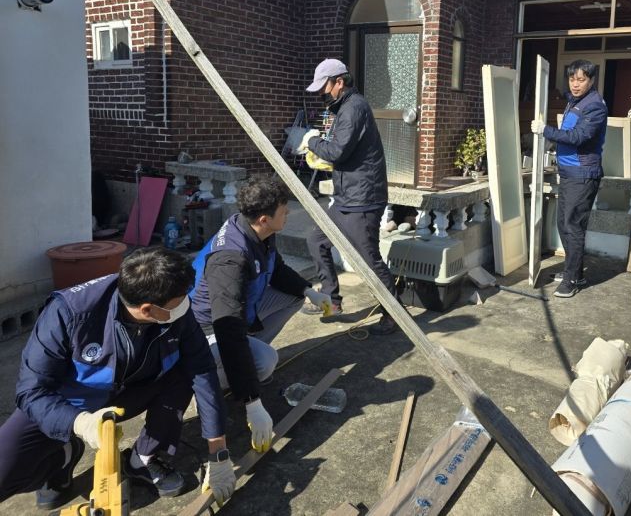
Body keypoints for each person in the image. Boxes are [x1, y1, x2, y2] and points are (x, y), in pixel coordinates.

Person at [0, 248, 236, 510]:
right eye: (180, 301)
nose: (186, 304)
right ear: (147, 309)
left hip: (129, 393)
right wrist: (77, 423)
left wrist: (219, 452)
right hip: (71, 404)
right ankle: (62, 456)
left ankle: (143, 458)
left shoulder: (171, 303)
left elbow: (201, 367)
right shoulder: (68, 313)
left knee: (184, 370)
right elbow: (31, 392)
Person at [190, 175, 331, 452]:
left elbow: (275, 268)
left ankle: (247, 355)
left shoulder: (259, 233)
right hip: (206, 329)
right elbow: (228, 330)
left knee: (293, 296)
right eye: (284, 211)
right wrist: (252, 401)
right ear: (264, 218)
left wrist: (308, 291)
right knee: (266, 362)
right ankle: (205, 381)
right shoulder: (229, 259)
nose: (288, 214)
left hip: (240, 311)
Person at [298, 58, 399, 335]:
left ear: (339, 82)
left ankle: (394, 314)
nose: (322, 94)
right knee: (316, 239)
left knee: (368, 260)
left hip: (363, 200)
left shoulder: (354, 108)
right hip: (347, 197)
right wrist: (322, 154)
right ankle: (333, 302)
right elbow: (344, 153)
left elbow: (338, 151)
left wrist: (312, 141)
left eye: (324, 87)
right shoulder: (344, 108)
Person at [531, 59, 607, 298]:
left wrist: (546, 131)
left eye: (581, 79)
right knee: (563, 224)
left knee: (573, 226)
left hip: (583, 175)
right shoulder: (575, 102)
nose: (575, 84)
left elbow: (579, 137)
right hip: (569, 173)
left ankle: (573, 279)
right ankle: (573, 271)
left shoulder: (595, 105)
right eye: (572, 79)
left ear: (591, 81)